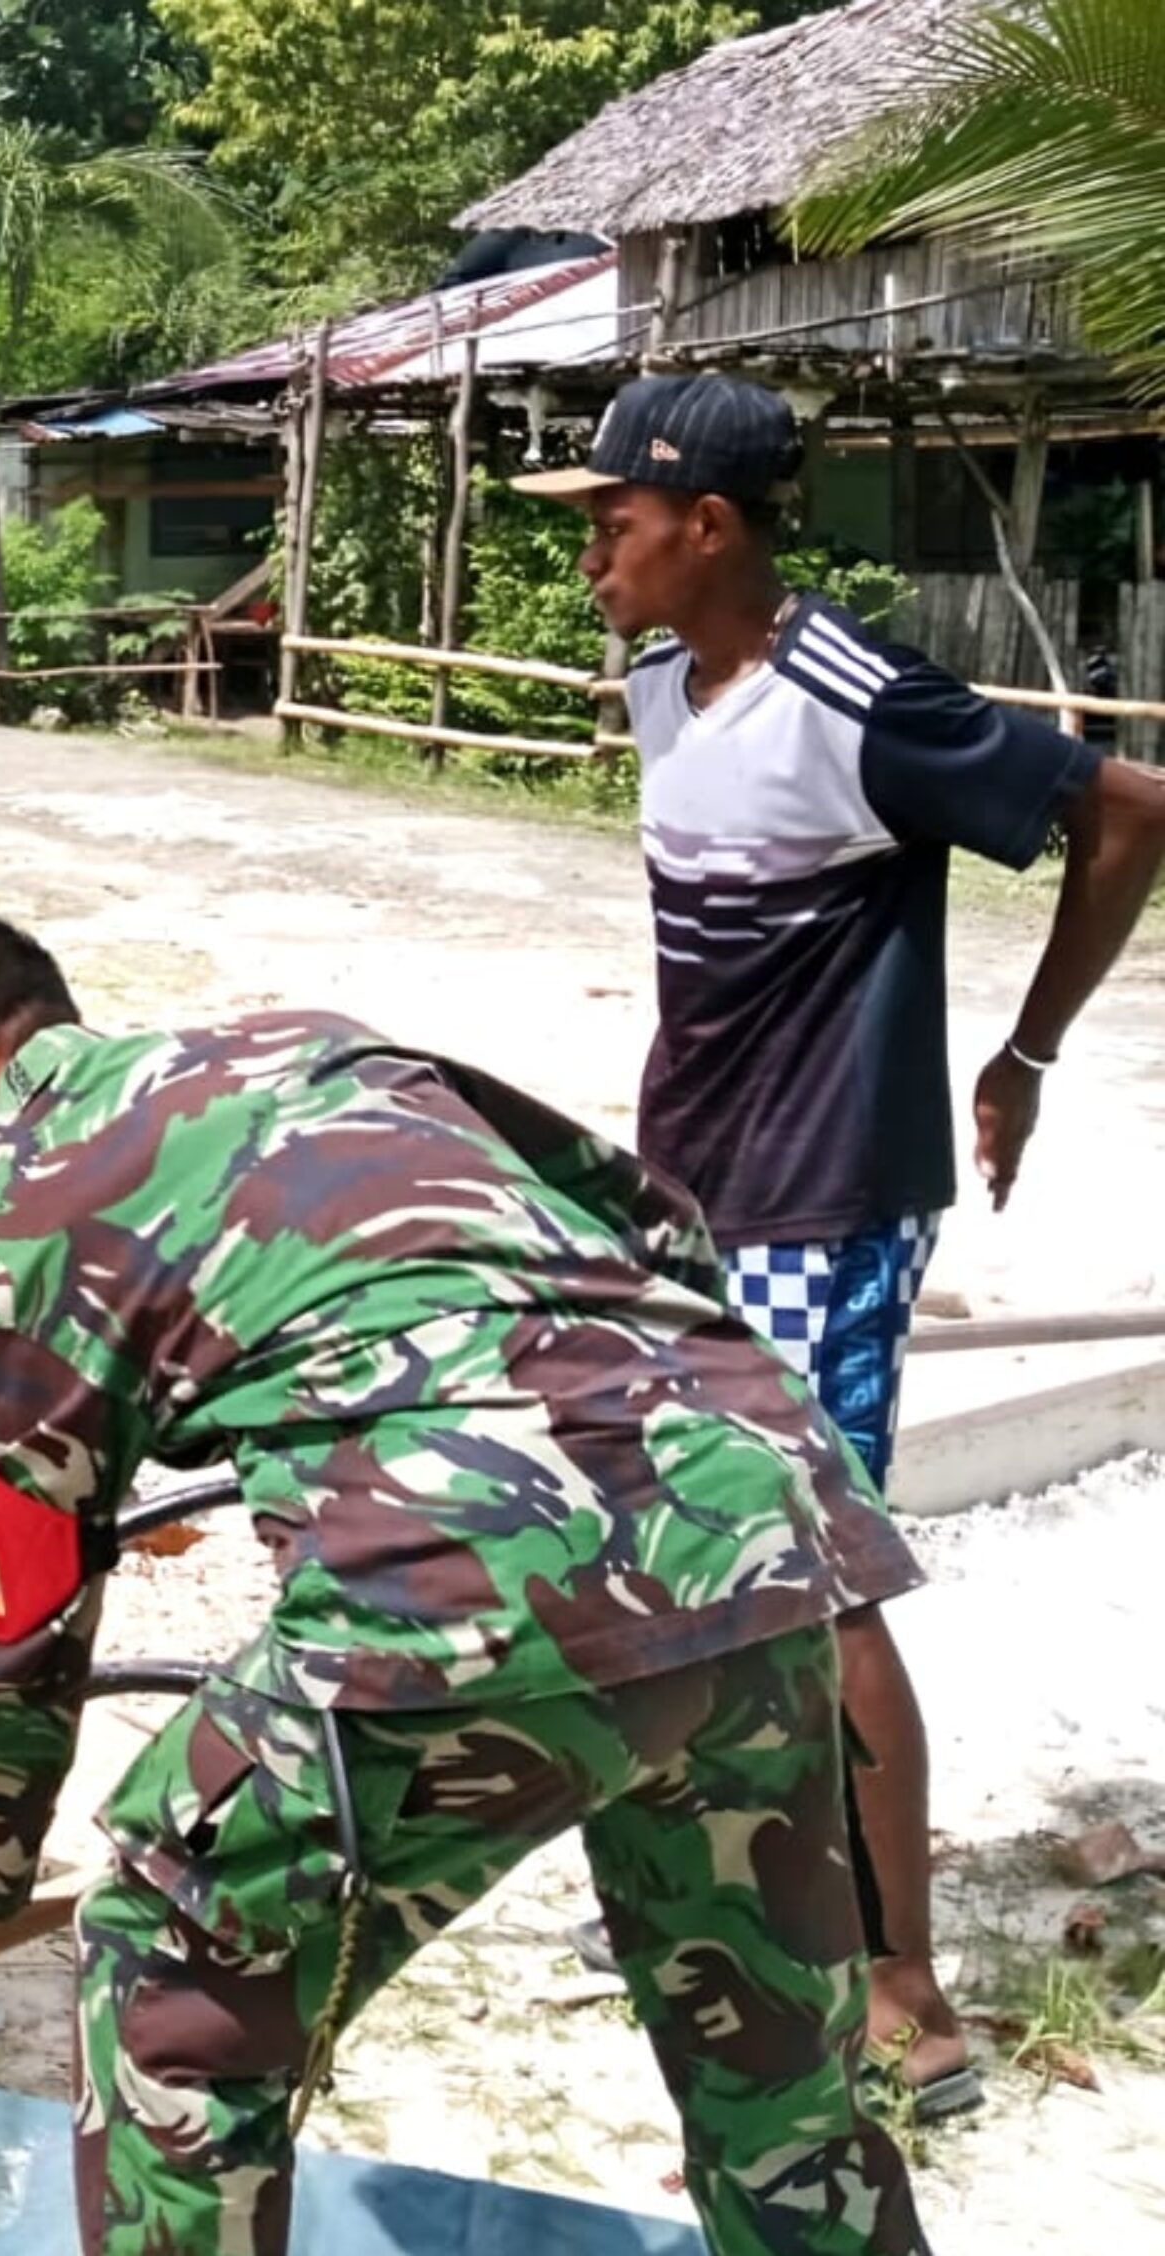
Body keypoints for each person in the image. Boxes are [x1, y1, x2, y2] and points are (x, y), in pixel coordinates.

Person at [0, 899, 922, 2256]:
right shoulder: (317, 1053)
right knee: (780, 2074)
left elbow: (18, 1646)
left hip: (476, 1580)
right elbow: (654, 1222)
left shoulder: (9, 1252)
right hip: (757, 1533)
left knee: (173, 1981)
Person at [516, 372, 1165, 2116]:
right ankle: (729, 1898)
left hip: (824, 1205)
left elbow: (1129, 812)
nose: (591, 548)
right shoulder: (662, 679)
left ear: (708, 525)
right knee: (680, 1556)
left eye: (614, 518)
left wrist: (1021, 1054)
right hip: (689, 1191)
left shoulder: (857, 694)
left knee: (812, 1589)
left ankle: (908, 1995)